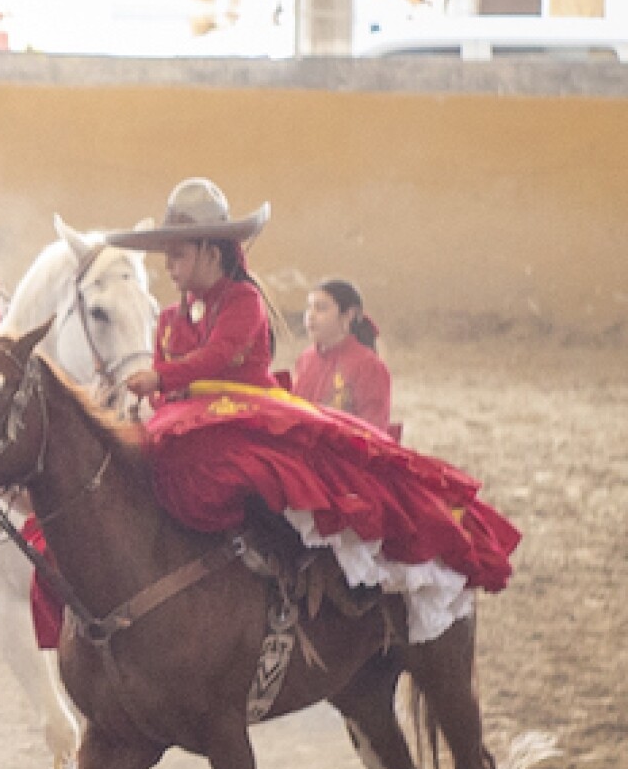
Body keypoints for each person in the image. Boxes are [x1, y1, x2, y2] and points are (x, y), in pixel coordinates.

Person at [104, 179, 514, 640]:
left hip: (248, 419)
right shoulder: (167, 319)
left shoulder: (244, 302)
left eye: (177, 255)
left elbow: (216, 357)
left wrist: (162, 379)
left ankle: (289, 569)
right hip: (190, 421)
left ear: (210, 253)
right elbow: (169, 390)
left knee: (244, 471)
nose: (169, 267)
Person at [295, 277, 395, 437]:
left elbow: (373, 431)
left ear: (348, 315)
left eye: (321, 308)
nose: (310, 316)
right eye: (309, 308)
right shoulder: (306, 359)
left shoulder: (368, 365)